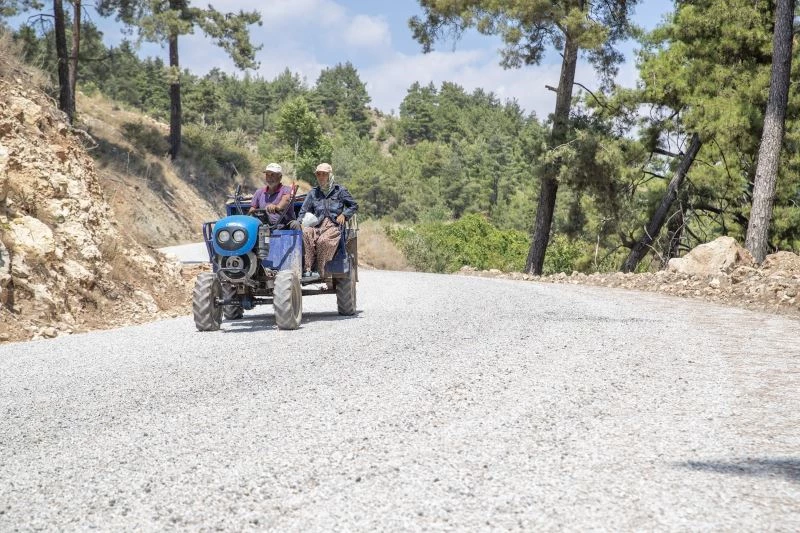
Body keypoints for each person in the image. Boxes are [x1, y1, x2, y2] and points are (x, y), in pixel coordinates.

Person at [290, 163, 358, 278]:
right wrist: (299, 223)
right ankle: (307, 268)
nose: (321, 177)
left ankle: (320, 270)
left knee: (323, 240)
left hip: (334, 226)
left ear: (330, 175)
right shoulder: (313, 193)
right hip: (317, 225)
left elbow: (354, 205)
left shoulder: (340, 191)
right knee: (305, 233)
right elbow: (303, 211)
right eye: (318, 174)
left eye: (324, 174)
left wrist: (344, 215)